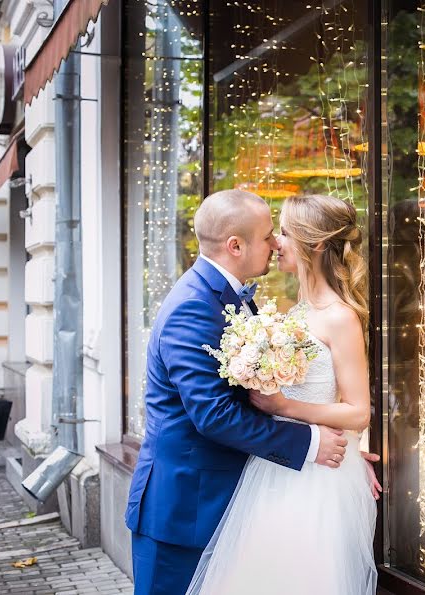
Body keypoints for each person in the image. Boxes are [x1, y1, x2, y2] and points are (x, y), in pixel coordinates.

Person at [125, 189, 379, 595]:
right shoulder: (194, 306)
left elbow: (275, 397)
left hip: (256, 491)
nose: (276, 243)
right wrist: (314, 444)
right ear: (235, 245)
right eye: (269, 235)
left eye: (281, 234)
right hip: (185, 506)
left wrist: (345, 450)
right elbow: (215, 415)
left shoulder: (246, 302)